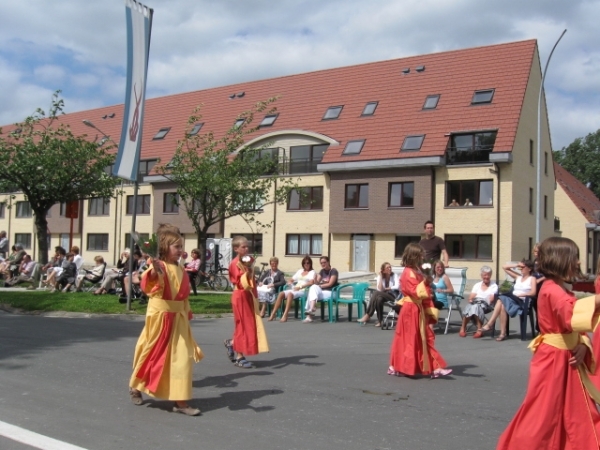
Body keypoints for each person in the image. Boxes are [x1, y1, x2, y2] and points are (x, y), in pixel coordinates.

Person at [497, 237, 600, 449]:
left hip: (564, 359)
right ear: (560, 260)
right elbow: (571, 316)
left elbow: (570, 325)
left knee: (570, 412)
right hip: (554, 361)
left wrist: (581, 344)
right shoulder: (552, 290)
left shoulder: (558, 288)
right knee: (544, 415)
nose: (578, 263)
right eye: (575, 258)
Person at [129, 226, 203, 416]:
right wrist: (154, 270)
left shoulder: (179, 267)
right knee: (150, 352)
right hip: (160, 318)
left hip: (177, 318)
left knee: (182, 359)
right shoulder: (158, 265)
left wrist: (186, 311)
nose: (180, 250)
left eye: (181, 246)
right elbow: (149, 283)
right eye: (176, 246)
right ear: (164, 247)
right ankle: (136, 386)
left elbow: (182, 293)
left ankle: (180, 402)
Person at [388, 242, 452, 378]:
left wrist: (429, 307)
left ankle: (433, 367)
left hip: (417, 308)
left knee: (422, 338)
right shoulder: (408, 273)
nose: (423, 257)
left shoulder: (416, 271)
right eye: (420, 255)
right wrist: (427, 282)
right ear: (414, 256)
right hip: (411, 309)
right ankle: (403, 366)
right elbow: (416, 292)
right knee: (410, 339)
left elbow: (424, 292)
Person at [224, 236, 269, 368]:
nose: (246, 249)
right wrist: (248, 271)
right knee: (242, 326)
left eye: (247, 246)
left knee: (249, 325)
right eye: (243, 247)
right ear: (236, 249)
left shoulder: (246, 261)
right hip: (240, 295)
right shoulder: (235, 263)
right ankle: (239, 356)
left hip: (248, 295)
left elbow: (251, 281)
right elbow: (240, 281)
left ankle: (232, 343)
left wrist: (255, 295)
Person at [481, 260, 536, 341]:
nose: (521, 269)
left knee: (501, 299)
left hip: (522, 302)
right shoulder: (518, 277)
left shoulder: (532, 278)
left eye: (523, 267)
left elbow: (533, 292)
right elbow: (504, 267)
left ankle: (490, 324)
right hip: (512, 299)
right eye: (520, 267)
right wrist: (517, 264)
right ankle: (502, 333)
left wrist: (522, 295)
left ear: (529, 269)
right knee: (502, 304)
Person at [268, 255, 316, 322]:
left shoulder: (312, 272)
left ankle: (285, 315)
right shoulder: (300, 271)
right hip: (295, 289)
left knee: (290, 294)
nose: (306, 264)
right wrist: (290, 283)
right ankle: (273, 314)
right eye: (304, 263)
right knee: (281, 293)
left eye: (308, 263)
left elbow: (311, 282)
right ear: (303, 264)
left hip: (304, 290)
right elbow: (291, 279)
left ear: (310, 264)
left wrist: (300, 287)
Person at [459, 266, 498, 338]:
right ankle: (476, 330)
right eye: (484, 275)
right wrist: (473, 300)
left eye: (488, 275)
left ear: (490, 275)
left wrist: (478, 298)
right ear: (481, 275)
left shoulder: (493, 286)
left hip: (487, 305)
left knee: (475, 306)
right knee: (472, 306)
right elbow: (470, 298)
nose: (486, 277)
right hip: (476, 303)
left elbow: (491, 299)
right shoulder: (477, 285)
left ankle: (465, 328)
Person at [358, 262, 399, 327]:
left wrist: (389, 288)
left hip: (392, 296)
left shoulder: (394, 275)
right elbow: (380, 289)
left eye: (390, 267)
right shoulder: (381, 276)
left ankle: (368, 315)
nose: (390, 268)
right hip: (383, 295)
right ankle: (380, 321)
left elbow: (397, 286)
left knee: (376, 293)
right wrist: (380, 277)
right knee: (379, 299)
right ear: (383, 270)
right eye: (387, 267)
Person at [303, 256, 339, 323]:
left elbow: (330, 284)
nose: (323, 264)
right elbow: (316, 283)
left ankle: (309, 315)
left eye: (324, 262)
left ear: (328, 262)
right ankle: (311, 309)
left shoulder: (334, 271)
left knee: (312, 291)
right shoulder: (322, 271)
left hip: (332, 292)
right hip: (323, 292)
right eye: (321, 263)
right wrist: (315, 279)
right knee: (313, 288)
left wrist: (319, 286)